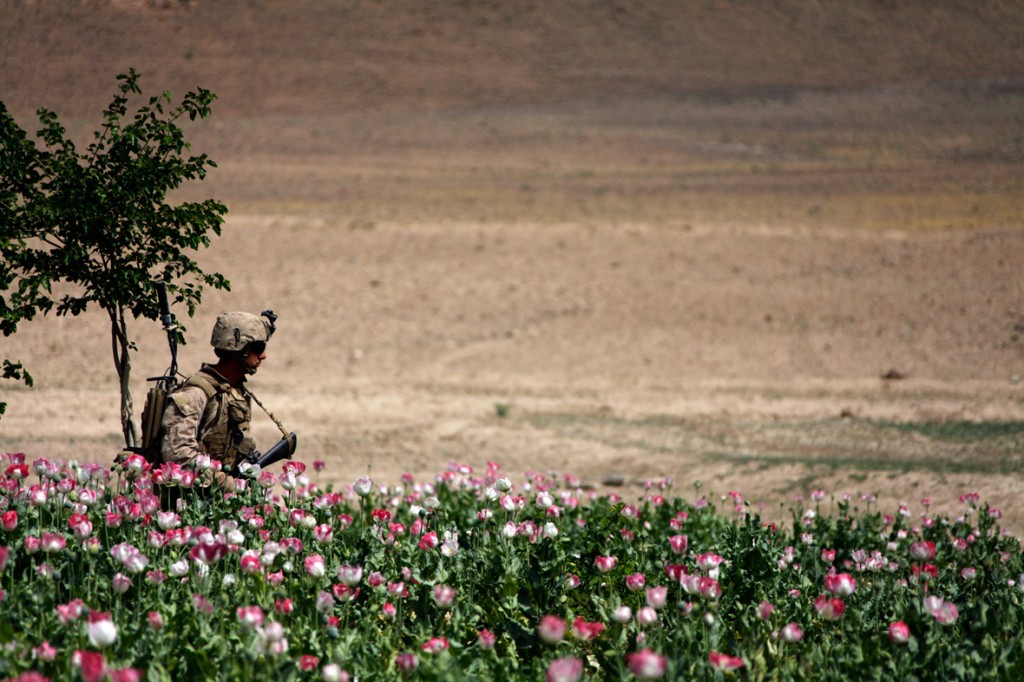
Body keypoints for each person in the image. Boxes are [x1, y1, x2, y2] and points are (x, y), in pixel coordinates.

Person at [160, 310, 277, 490]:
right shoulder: (196, 394)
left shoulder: (233, 390)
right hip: (190, 502)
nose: (263, 356)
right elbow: (178, 455)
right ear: (240, 349)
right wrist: (228, 484)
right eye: (259, 348)